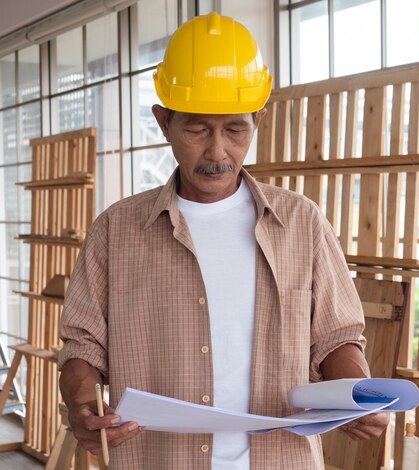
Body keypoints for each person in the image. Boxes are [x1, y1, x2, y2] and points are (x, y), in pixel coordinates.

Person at [58, 11, 388, 470]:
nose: (217, 152)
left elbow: (336, 338)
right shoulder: (116, 231)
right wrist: (82, 407)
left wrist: (356, 395)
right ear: (163, 121)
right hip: (157, 459)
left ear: (258, 119)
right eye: (197, 129)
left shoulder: (301, 223)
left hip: (280, 459)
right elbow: (82, 346)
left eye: (235, 129)